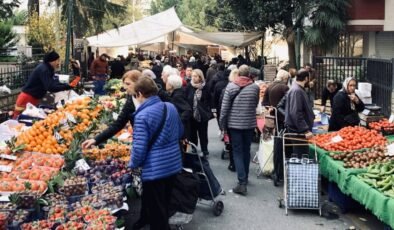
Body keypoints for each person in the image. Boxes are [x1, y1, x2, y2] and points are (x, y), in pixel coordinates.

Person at [130, 76, 183, 230]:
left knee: (156, 213)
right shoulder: (169, 107)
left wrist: (132, 165)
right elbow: (180, 131)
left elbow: (139, 150)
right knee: (164, 206)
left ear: (140, 94)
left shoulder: (142, 116)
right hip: (173, 164)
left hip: (155, 171)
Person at [219, 65, 259, 195]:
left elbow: (224, 109)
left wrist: (222, 126)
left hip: (234, 125)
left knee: (237, 151)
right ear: (249, 75)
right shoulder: (255, 88)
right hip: (249, 124)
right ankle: (245, 178)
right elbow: (255, 104)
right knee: (246, 150)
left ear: (238, 74)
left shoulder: (231, 87)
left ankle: (241, 182)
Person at [80, 70, 141, 149]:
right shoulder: (131, 99)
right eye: (124, 84)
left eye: (128, 84)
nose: (125, 87)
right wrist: (96, 140)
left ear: (139, 83)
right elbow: (118, 124)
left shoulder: (155, 97)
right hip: (139, 142)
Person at [13, 50, 80, 118]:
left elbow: (56, 80)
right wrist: (67, 86)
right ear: (52, 61)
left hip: (33, 99)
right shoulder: (44, 70)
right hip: (27, 99)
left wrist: (76, 71)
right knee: (19, 122)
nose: (59, 63)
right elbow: (50, 87)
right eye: (58, 60)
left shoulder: (48, 69)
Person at [284, 69, 315, 158]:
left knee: (301, 154)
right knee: (302, 155)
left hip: (297, 128)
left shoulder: (297, 89)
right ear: (306, 78)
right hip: (298, 130)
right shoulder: (297, 91)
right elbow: (296, 113)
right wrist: (305, 130)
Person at [185, 69, 212, 156]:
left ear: (200, 77)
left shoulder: (206, 87)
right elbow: (186, 99)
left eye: (195, 76)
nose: (193, 78)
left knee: (203, 133)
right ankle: (194, 148)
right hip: (192, 114)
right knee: (193, 133)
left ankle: (205, 149)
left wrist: (208, 111)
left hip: (202, 115)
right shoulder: (189, 86)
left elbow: (210, 100)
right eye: (192, 76)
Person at [165, 74, 192, 140]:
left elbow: (187, 110)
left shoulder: (177, 96)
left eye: (167, 82)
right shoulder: (178, 92)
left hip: (180, 128)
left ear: (172, 85)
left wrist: (178, 120)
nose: (166, 83)